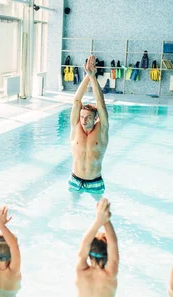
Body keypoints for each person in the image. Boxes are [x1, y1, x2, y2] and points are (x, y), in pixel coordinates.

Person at [69, 55, 109, 194]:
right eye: (82, 117)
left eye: (88, 117)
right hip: (75, 180)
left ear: (96, 117)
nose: (83, 120)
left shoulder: (102, 130)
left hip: (95, 182)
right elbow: (76, 101)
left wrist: (93, 77)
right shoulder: (76, 127)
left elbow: (101, 104)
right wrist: (88, 75)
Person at [75, 198, 119, 297]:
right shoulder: (110, 274)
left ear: (88, 253)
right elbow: (113, 244)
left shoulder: (81, 271)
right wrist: (106, 221)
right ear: (108, 255)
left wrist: (98, 221)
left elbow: (83, 246)